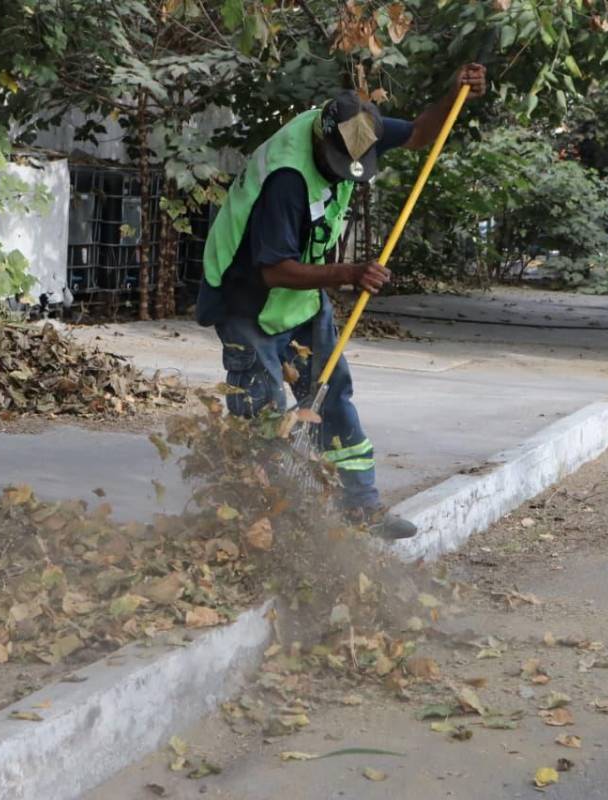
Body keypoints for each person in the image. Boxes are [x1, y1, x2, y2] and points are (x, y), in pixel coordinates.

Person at [195, 65, 487, 539]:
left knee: (332, 397)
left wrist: (455, 92)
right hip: (247, 299)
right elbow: (275, 269)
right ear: (319, 139)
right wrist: (350, 273)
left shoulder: (357, 125)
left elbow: (418, 135)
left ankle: (360, 508)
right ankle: (255, 524)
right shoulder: (286, 180)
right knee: (263, 415)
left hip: (303, 299)